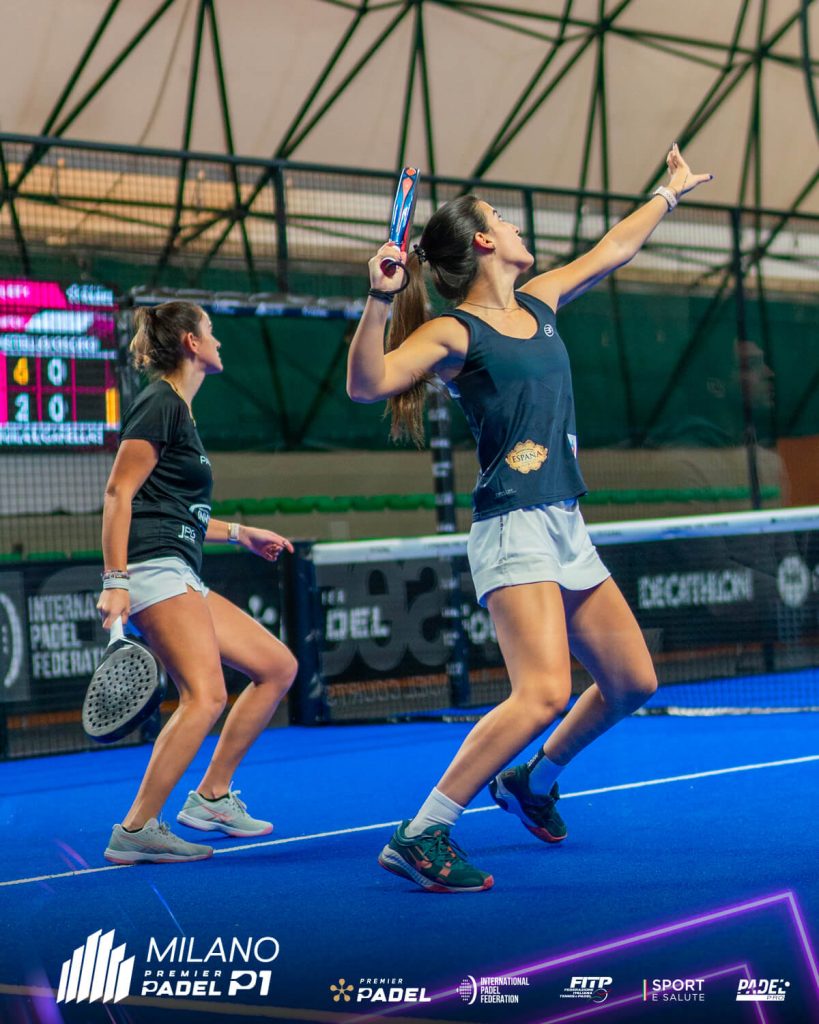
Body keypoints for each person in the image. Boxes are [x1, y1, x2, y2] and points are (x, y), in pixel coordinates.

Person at [347, 144, 713, 892]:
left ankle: (531, 780)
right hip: (512, 525)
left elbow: (613, 249)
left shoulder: (539, 300)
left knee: (632, 681)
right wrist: (379, 298)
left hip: (564, 525)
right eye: (502, 218)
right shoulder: (455, 333)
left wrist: (668, 193)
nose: (516, 226)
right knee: (542, 692)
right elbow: (368, 383)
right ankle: (422, 832)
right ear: (484, 242)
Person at [97, 301, 297, 864]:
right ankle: (136, 829)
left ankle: (211, 798)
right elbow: (118, 493)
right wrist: (115, 579)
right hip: (153, 570)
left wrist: (240, 533)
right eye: (211, 332)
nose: (218, 341)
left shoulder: (179, 412)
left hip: (179, 567)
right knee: (205, 696)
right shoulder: (160, 402)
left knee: (276, 667)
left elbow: (177, 510)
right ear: (190, 341)